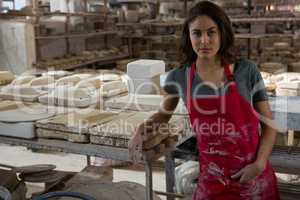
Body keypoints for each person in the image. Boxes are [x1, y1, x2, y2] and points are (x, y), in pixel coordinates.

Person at [128, 1, 280, 199]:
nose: (204, 41)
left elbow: (269, 124)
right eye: (197, 33)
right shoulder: (179, 77)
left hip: (253, 180)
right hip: (212, 180)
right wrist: (141, 129)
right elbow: (162, 117)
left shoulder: (246, 71)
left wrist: (259, 164)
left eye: (211, 32)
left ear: (222, 34)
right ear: (188, 36)